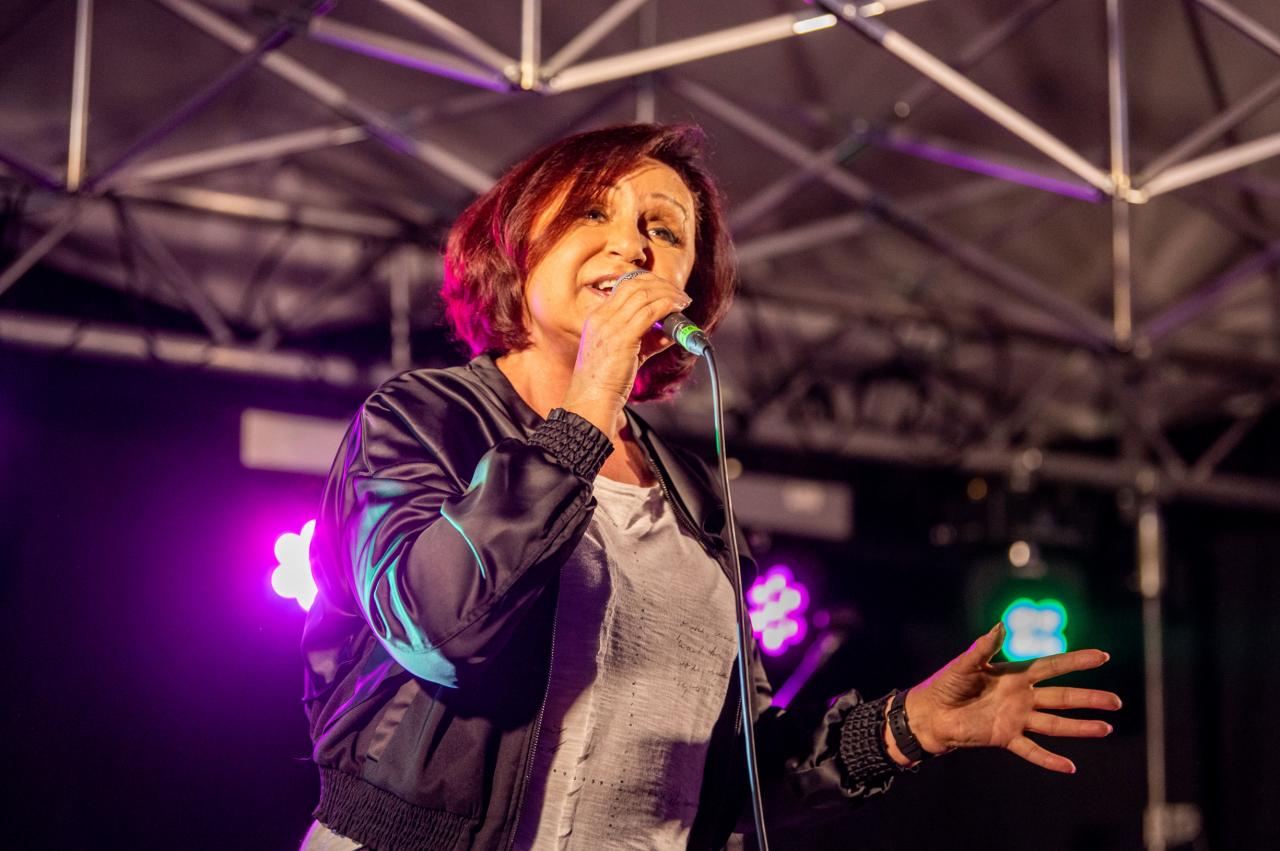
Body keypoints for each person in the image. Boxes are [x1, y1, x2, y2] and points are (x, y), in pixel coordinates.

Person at [299, 123, 1121, 851]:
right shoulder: (423, 418)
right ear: (518, 242)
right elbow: (442, 627)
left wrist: (909, 726)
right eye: (593, 213)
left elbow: (734, 774)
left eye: (663, 230)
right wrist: (590, 399)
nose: (632, 247)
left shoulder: (692, 495)